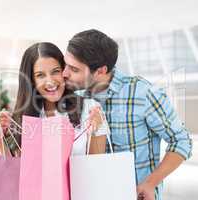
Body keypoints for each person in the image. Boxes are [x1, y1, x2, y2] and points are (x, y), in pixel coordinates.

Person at [62, 29, 192, 200]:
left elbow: (181, 141)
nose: (64, 73)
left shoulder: (143, 93)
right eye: (65, 65)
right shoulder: (75, 99)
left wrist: (151, 183)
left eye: (74, 69)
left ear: (101, 71)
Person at [0, 42, 108, 157]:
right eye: (40, 75)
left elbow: (96, 168)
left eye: (56, 71)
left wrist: (95, 131)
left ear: (64, 71)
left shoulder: (90, 108)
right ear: (32, 80)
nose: (50, 81)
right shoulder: (22, 117)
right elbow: (17, 173)